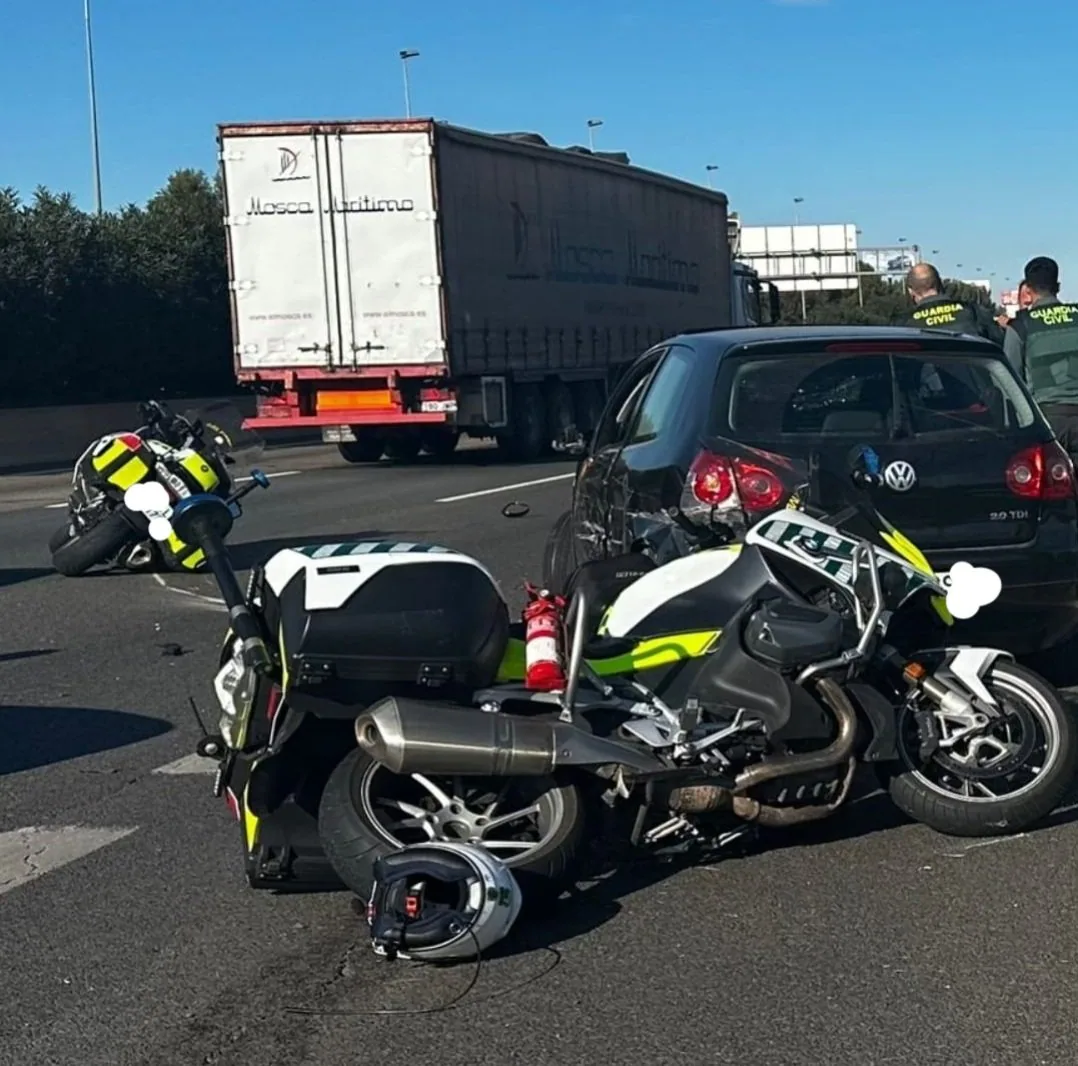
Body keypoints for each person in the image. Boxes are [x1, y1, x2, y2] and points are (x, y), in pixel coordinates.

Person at [1004, 256, 1078, 455]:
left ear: (1027, 289)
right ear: (1058, 286)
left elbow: (1010, 382)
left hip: (1049, 422)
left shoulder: (1020, 327)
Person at [904, 262, 1005, 345]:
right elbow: (999, 343)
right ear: (940, 283)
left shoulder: (905, 325)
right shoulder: (973, 313)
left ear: (911, 291)